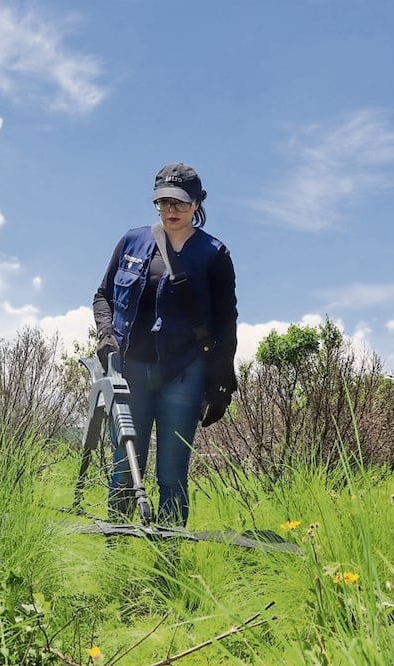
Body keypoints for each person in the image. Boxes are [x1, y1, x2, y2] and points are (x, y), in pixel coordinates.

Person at [92, 163, 238, 527]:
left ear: (197, 203)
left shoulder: (214, 254)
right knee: (125, 471)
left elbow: (226, 323)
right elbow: (103, 296)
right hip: (131, 374)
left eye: (180, 203)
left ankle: (167, 568)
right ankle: (117, 560)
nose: (171, 210)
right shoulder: (132, 241)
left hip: (184, 375)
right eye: (163, 202)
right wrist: (106, 334)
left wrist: (221, 382)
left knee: (171, 477)